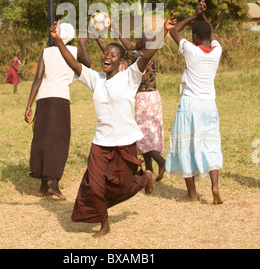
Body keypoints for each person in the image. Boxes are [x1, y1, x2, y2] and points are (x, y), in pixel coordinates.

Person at [49, 14, 176, 238]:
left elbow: (147, 54)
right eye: (105, 53)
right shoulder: (94, 78)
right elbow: (73, 63)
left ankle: (145, 177)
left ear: (120, 61)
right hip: (100, 143)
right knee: (95, 186)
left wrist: (164, 31)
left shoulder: (130, 77)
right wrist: (58, 40)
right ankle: (104, 224)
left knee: (123, 187)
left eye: (112, 54)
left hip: (125, 142)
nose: (106, 56)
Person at [94, 22, 172, 181]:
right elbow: (127, 47)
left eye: (139, 39)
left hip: (144, 98)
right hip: (154, 97)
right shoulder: (148, 56)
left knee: (140, 136)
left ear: (142, 44)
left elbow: (123, 48)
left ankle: (162, 162)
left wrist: (110, 33)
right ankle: (149, 170)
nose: (135, 40)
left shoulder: (139, 57)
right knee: (147, 134)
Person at [165, 0, 223, 204]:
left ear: (195, 37)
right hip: (209, 104)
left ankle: (192, 194)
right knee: (211, 143)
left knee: (186, 145)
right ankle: (214, 186)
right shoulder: (217, 51)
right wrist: (203, 17)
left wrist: (194, 15)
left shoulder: (191, 50)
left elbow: (173, 31)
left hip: (190, 104)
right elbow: (212, 33)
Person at [24, 23, 91, 200]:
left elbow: (38, 78)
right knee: (59, 140)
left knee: (42, 138)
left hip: (43, 98)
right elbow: (88, 64)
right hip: (60, 98)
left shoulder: (46, 52)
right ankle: (54, 184)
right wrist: (83, 44)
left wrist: (29, 105)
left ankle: (42, 185)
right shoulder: (74, 50)